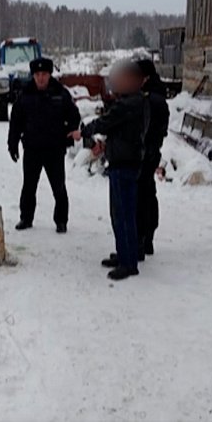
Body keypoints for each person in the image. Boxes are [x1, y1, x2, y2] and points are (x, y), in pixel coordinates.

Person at [69, 59, 146, 280]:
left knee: (122, 214)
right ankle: (125, 254)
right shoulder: (135, 102)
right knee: (122, 213)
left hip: (124, 165)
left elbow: (105, 122)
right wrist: (107, 144)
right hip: (125, 161)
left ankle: (128, 263)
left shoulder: (128, 104)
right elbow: (119, 130)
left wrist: (82, 132)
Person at [8, 57, 81, 233]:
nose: (41, 78)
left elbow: (74, 115)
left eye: (44, 74)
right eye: (38, 74)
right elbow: (16, 121)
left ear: (49, 75)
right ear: (33, 75)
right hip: (32, 148)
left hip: (54, 149)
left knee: (59, 187)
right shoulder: (25, 94)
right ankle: (26, 218)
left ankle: (61, 220)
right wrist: (12, 143)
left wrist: (70, 132)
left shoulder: (60, 93)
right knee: (29, 186)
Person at [135, 58, 169, 259]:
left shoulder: (150, 98)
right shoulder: (156, 95)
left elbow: (149, 129)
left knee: (141, 196)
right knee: (147, 193)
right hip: (150, 151)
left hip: (145, 152)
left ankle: (142, 240)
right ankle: (147, 240)